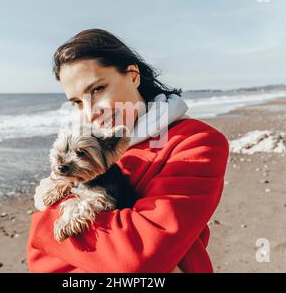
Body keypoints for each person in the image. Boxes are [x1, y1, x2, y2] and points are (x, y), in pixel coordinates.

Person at [26, 29, 229, 273]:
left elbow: (141, 256)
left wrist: (48, 215)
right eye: (77, 102)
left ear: (133, 76)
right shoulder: (85, 147)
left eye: (97, 89)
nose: (90, 113)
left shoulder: (195, 142)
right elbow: (40, 262)